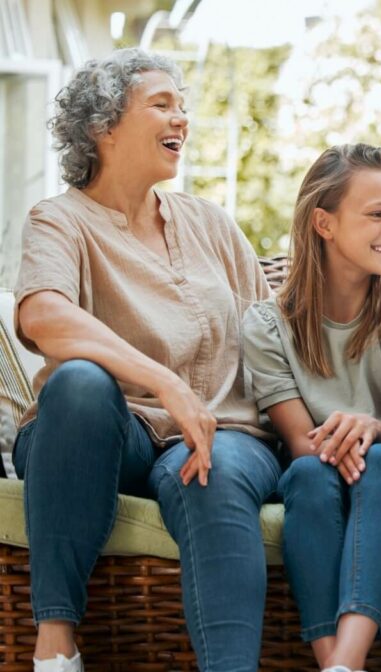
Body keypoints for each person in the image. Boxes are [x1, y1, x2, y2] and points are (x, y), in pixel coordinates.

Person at [12, 49, 281, 672]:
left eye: (183, 107)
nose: (181, 119)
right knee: (79, 383)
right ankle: (55, 645)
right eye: (162, 105)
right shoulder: (61, 220)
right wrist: (162, 381)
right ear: (103, 127)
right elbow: (42, 315)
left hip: (220, 429)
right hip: (101, 437)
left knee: (212, 472)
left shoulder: (211, 224)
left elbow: (273, 337)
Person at [242, 143, 381, 672]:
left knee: (379, 461)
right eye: (376, 215)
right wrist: (350, 438)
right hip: (317, 466)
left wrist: (369, 427)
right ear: (323, 223)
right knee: (304, 472)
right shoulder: (265, 325)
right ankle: (334, 662)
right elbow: (302, 441)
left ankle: (345, 662)